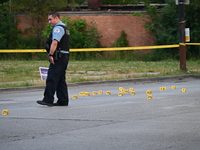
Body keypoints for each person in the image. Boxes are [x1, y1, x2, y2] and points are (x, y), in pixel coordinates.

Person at [37, 11, 70, 106]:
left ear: (56, 18)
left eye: (50, 19)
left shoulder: (58, 28)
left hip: (58, 57)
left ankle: (48, 99)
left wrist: (51, 55)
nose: (49, 22)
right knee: (60, 80)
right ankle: (63, 100)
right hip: (64, 57)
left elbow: (55, 42)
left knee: (51, 77)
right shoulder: (65, 27)